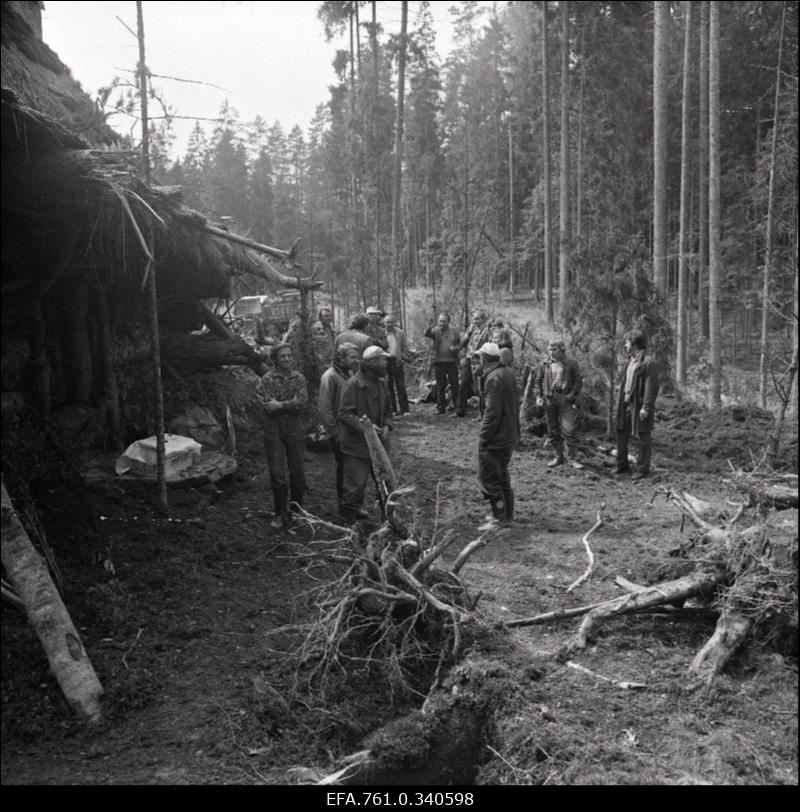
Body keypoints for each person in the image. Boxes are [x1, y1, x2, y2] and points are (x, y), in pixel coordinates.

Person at [337, 345, 394, 522]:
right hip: (357, 447)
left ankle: (389, 524)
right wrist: (367, 429)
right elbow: (344, 414)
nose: (386, 363)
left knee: (385, 486)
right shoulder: (353, 384)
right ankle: (349, 528)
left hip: (379, 446)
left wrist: (386, 426)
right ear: (373, 362)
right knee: (355, 487)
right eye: (383, 360)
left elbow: (389, 410)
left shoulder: (382, 383)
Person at [258, 343, 308, 530]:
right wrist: (290, 403)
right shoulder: (267, 379)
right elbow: (268, 406)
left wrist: (281, 405)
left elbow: (303, 402)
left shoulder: (299, 378)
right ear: (275, 359)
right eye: (282, 356)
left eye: (289, 356)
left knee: (298, 473)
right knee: (278, 474)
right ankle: (280, 513)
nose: (286, 359)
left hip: (294, 428)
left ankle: (296, 512)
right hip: (274, 430)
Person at [477, 342, 520, 526]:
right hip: (510, 433)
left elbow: (492, 412)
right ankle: (507, 515)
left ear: (484, 358)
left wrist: (484, 436)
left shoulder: (494, 378)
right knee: (502, 476)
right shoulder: (508, 373)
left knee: (490, 478)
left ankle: (499, 517)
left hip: (497, 437)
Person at [318, 342, 360, 510]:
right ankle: (344, 508)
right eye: (352, 357)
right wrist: (334, 433)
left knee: (355, 470)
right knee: (344, 470)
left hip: (352, 430)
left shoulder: (349, 373)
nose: (356, 360)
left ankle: (353, 504)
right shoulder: (330, 377)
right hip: (340, 433)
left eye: (357, 357)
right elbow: (324, 408)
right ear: (340, 358)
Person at [615, 330, 660, 480]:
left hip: (639, 405)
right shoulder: (630, 361)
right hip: (625, 404)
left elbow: (651, 386)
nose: (625, 345)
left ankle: (642, 469)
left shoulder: (649, 362)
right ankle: (621, 465)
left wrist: (646, 407)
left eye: (627, 342)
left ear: (634, 343)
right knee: (621, 432)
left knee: (643, 436)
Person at [534, 340, 584, 469]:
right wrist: (539, 396)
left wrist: (572, 394)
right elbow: (538, 380)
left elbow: (578, 380)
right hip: (550, 397)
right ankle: (558, 457)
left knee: (569, 429)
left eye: (554, 349)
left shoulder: (571, 363)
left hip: (565, 398)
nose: (551, 352)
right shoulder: (545, 364)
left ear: (562, 349)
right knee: (553, 430)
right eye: (549, 349)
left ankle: (572, 459)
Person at [424, 312, 461, 415]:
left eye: (444, 321)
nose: (441, 323)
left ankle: (456, 406)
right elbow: (426, 334)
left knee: (454, 385)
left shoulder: (454, 331)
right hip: (439, 361)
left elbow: (460, 344)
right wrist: (429, 327)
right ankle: (441, 408)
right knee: (440, 385)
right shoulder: (435, 330)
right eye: (440, 321)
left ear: (448, 321)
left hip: (451, 362)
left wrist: (456, 348)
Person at [456, 308, 491, 417]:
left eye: (477, 319)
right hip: (469, 359)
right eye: (473, 319)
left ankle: (483, 412)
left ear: (483, 319)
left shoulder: (487, 332)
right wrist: (468, 333)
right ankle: (460, 411)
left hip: (480, 361)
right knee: (463, 383)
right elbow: (463, 343)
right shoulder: (471, 330)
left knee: (480, 387)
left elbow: (489, 348)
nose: (475, 321)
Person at [384, 314, 411, 416]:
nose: (389, 324)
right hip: (385, 362)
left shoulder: (400, 332)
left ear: (394, 323)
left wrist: (402, 358)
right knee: (388, 386)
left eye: (391, 322)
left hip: (397, 362)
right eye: (387, 322)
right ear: (384, 323)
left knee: (400, 386)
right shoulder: (381, 333)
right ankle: (393, 410)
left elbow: (405, 347)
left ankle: (405, 410)